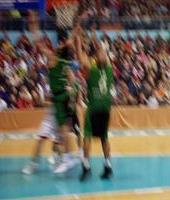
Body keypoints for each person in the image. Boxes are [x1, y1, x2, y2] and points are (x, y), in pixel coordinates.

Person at [28, 12, 78, 173]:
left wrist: (34, 24)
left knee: (65, 130)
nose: (62, 44)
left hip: (61, 98)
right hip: (59, 98)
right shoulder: (63, 58)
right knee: (64, 132)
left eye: (62, 44)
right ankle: (65, 157)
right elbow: (71, 37)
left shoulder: (56, 57)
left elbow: (38, 43)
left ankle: (67, 158)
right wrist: (79, 24)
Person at [76, 25, 114, 181]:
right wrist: (93, 36)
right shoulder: (109, 68)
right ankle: (108, 166)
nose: (100, 53)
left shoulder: (91, 70)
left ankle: (86, 167)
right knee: (104, 137)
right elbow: (102, 50)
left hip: (94, 109)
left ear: (96, 61)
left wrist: (79, 39)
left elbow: (80, 57)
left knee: (87, 137)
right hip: (106, 108)